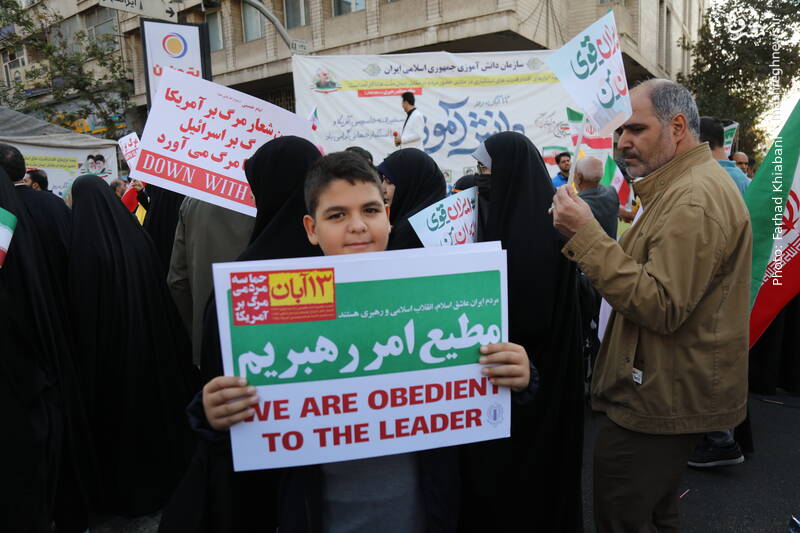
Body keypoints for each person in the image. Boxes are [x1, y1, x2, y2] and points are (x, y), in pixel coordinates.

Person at [190, 150, 531, 531]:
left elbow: (484, 419)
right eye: (337, 215)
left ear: (388, 214)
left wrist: (520, 378)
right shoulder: (275, 311)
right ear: (311, 228)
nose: (357, 226)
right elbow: (243, 453)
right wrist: (213, 415)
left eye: (370, 210)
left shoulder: (437, 295)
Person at [552, 79, 751, 532]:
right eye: (621, 131)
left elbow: (660, 304)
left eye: (636, 129)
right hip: (660, 387)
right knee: (654, 516)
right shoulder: (678, 187)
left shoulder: (694, 197)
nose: (623, 142)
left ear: (677, 127)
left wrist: (586, 235)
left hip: (657, 397)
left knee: (624, 516)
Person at [470, 131, 584, 531]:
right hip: (510, 384)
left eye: (486, 169)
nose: (481, 178)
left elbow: (532, 321)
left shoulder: (540, 238)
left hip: (534, 384)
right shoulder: (509, 222)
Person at [68, 175, 198, 519]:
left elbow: (83, 313)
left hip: (111, 360)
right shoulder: (137, 236)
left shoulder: (84, 248)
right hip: (151, 349)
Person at [376, 148, 447, 250]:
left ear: (411, 185)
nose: (383, 189)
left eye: (389, 181)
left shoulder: (409, 238)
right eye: (383, 180)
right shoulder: (441, 221)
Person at [700, 117, 749, 196]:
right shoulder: (743, 179)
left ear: (700, 142)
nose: (743, 166)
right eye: (740, 163)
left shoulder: (703, 176)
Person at [574, 156, 619, 239]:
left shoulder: (577, 203)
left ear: (579, 177)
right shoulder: (612, 191)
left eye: (574, 174)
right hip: (612, 245)